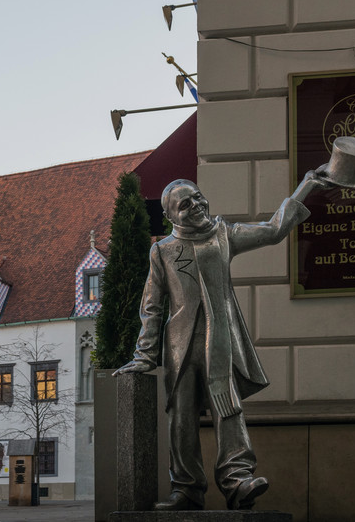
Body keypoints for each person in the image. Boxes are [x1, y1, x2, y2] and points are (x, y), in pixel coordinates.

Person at [114, 169, 329, 511]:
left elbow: (273, 230)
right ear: (170, 215)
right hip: (178, 348)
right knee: (181, 419)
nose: (197, 206)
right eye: (186, 204)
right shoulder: (162, 252)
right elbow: (151, 308)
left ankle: (238, 480)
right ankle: (186, 489)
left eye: (198, 198)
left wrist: (306, 187)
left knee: (229, 410)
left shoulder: (223, 234)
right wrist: (144, 355)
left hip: (220, 343)